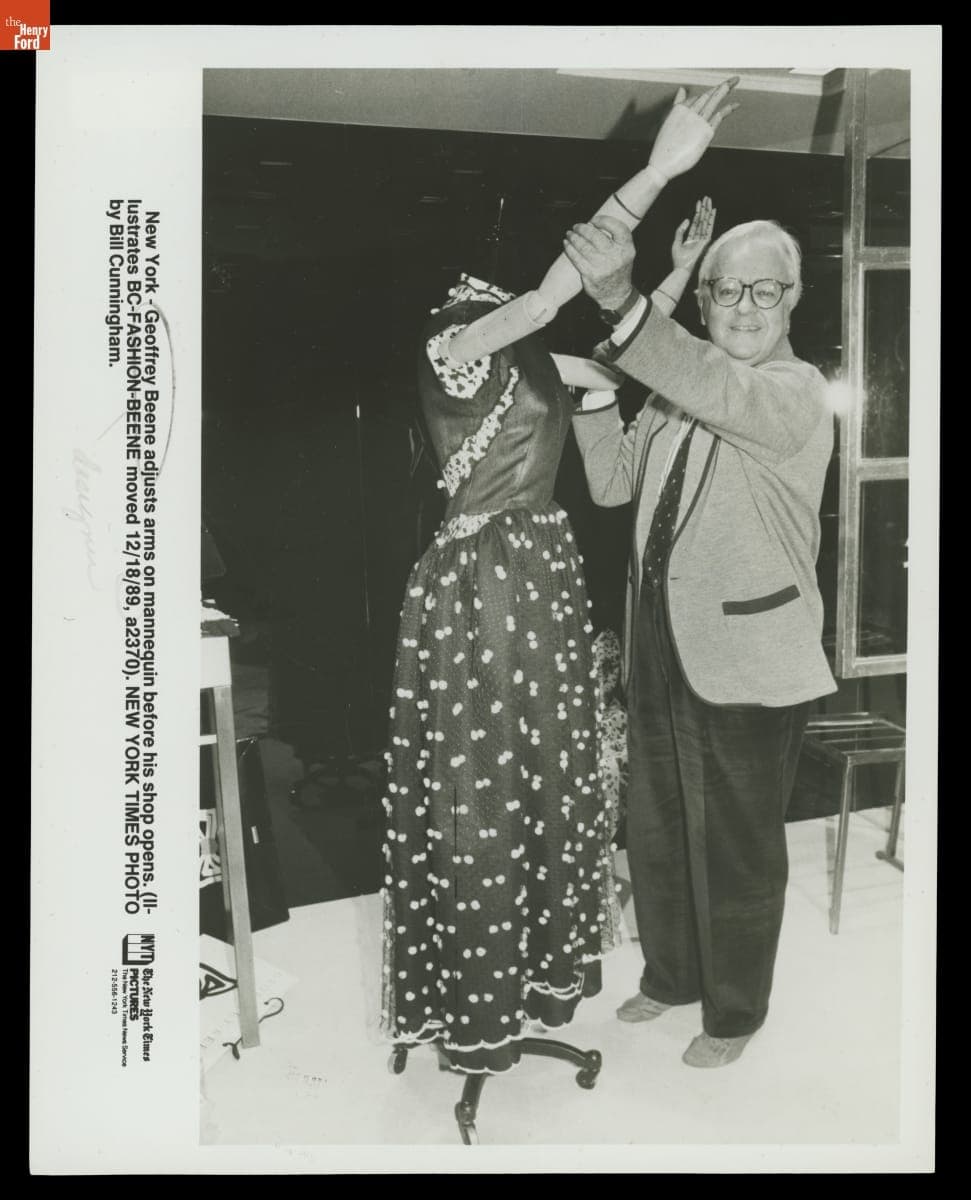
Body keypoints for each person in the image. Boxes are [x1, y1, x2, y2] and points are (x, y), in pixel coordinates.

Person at [380, 82, 741, 1075]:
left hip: (534, 577)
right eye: (492, 296)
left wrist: (664, 282)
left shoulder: (526, 359)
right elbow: (551, 296)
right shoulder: (454, 348)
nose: (504, 305)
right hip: (483, 582)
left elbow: (613, 368)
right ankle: (472, 1001)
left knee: (539, 781)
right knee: (483, 791)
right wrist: (659, 168)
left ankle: (525, 982)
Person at [563, 208, 838, 1069]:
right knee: (658, 824)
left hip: (750, 654)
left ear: (793, 298)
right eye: (729, 290)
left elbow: (709, 384)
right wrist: (598, 397)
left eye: (765, 289)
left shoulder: (791, 392)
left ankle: (733, 1012)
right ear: (709, 300)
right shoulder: (679, 399)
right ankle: (673, 972)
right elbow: (611, 485)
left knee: (735, 848)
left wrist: (621, 298)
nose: (746, 307)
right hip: (658, 639)